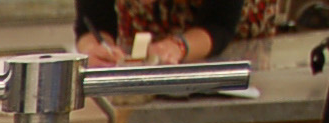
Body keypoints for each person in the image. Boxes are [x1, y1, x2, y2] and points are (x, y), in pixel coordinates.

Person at [74, 0, 277, 65]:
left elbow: (219, 24)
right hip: (144, 83)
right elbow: (91, 22)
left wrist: (177, 47)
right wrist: (95, 49)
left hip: (235, 60)